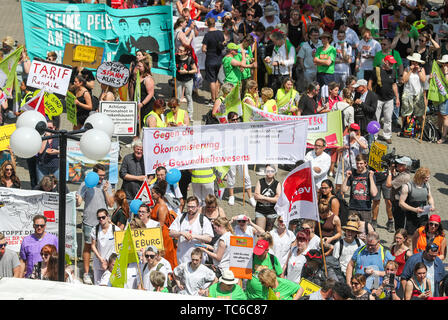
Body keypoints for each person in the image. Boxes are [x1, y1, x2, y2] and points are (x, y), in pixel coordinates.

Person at [76, 163, 114, 285]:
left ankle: (105, 271)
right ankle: (86, 273)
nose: (102, 178)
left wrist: (106, 191)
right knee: (87, 247)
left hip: (103, 223)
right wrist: (77, 199)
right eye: (100, 175)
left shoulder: (107, 185)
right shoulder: (85, 184)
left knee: (103, 247)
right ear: (94, 174)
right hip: (89, 221)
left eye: (104, 175)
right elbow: (78, 203)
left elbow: (111, 204)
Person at [169, 196, 214, 264]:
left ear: (198, 207)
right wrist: (181, 233)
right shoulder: (181, 217)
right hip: (182, 258)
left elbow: (209, 238)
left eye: (193, 207)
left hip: (198, 259)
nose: (190, 209)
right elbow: (170, 233)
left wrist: (195, 236)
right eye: (188, 206)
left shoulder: (203, 220)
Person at [370, 55, 400, 145]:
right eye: (390, 63)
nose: (391, 65)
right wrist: (370, 96)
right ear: (385, 61)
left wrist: (397, 98)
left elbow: (394, 85)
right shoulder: (377, 70)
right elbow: (370, 82)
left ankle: (387, 136)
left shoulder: (393, 72)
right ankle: (373, 136)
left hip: (389, 99)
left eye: (392, 63)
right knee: (376, 118)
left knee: (388, 118)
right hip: (377, 98)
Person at [341, 154, 378, 224]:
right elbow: (343, 190)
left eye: (361, 163)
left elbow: (374, 193)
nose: (359, 165)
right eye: (357, 163)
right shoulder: (352, 174)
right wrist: (346, 177)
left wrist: (371, 177)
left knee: (364, 232)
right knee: (351, 230)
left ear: (365, 163)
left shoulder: (369, 175)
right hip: (353, 208)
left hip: (365, 209)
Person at [399, 167, 435, 235]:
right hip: (410, 216)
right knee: (409, 237)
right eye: (426, 178)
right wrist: (415, 210)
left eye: (428, 177)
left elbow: (430, 197)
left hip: (423, 216)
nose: (428, 179)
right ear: (419, 177)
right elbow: (401, 203)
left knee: (423, 235)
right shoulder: (407, 186)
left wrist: (432, 205)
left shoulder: (427, 185)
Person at [150, 180, 177, 269]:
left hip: (163, 234)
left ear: (158, 194)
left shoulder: (161, 207)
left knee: (166, 255)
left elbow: (161, 224)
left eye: (153, 193)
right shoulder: (156, 204)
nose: (151, 195)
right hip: (157, 232)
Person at [334, 123, 369, 191]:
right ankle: (339, 198)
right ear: (349, 130)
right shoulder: (345, 138)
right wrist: (343, 147)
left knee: (355, 186)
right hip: (344, 163)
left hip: (355, 165)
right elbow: (337, 149)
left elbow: (364, 147)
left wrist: (355, 137)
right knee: (338, 185)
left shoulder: (361, 139)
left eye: (355, 130)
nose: (353, 132)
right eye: (352, 130)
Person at [400, 52, 426, 132]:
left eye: (416, 62)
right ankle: (404, 128)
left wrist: (418, 71)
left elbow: (423, 80)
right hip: (408, 93)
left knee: (419, 113)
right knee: (405, 112)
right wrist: (410, 71)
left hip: (418, 93)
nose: (414, 63)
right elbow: (404, 80)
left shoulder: (421, 69)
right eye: (413, 62)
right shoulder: (407, 69)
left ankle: (419, 129)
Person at [202, 18, 225, 105]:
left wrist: (207, 51)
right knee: (216, 79)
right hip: (219, 59)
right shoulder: (220, 33)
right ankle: (217, 98)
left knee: (211, 80)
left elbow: (203, 49)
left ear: (207, 24)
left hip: (210, 59)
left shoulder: (207, 35)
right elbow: (223, 44)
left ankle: (213, 100)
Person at [386, 156, 413, 231]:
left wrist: (389, 172)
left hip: (399, 204)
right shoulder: (401, 174)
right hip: (396, 203)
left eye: (400, 164)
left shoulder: (404, 176)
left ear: (405, 167)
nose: (397, 165)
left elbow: (388, 184)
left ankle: (399, 239)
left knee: (399, 226)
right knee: (398, 224)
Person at [90, 209, 116, 285]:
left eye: (103, 217)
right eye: (99, 218)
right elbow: (93, 245)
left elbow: (120, 245)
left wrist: (111, 261)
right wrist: (100, 258)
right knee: (98, 285)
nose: (101, 219)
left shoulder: (115, 229)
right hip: (99, 262)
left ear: (107, 217)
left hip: (111, 264)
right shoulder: (95, 229)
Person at [175, 45, 196, 121]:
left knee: (189, 97)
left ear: (186, 52)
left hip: (188, 80)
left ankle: (190, 115)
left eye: (181, 51)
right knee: (178, 98)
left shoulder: (190, 59)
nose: (179, 51)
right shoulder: (176, 57)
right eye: (178, 49)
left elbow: (195, 70)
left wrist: (186, 72)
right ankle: (177, 114)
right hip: (178, 80)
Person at [136, 59, 155, 129]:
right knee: (137, 124)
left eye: (140, 66)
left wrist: (142, 104)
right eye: (137, 65)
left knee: (144, 124)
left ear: (145, 67)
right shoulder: (138, 75)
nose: (137, 67)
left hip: (146, 105)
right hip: (138, 104)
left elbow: (150, 94)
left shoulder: (148, 79)